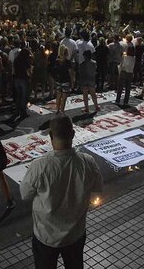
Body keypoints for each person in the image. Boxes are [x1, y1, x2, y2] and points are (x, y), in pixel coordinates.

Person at [20, 115, 103, 269]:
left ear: (51, 136)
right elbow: (98, 188)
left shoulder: (40, 166)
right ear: (72, 134)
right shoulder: (87, 162)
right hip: (75, 234)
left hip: (46, 235)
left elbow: (25, 194)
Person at [13, 48, 32, 119]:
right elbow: (29, 72)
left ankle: (17, 111)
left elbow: (14, 70)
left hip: (16, 79)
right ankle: (23, 112)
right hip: (24, 79)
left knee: (18, 96)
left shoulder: (16, 60)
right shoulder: (26, 61)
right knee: (24, 97)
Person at [52, 45, 71, 114]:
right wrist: (72, 81)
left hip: (58, 80)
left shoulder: (57, 61)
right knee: (64, 97)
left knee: (58, 96)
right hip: (65, 80)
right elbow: (70, 73)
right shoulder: (68, 62)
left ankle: (57, 110)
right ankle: (62, 111)